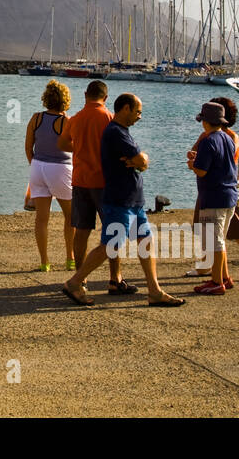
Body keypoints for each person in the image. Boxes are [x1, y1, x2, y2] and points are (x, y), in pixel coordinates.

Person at [61, 94, 185, 307]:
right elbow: (140, 159)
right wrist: (140, 161)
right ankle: (74, 282)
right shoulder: (116, 132)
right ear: (125, 108)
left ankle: (154, 291)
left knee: (145, 241)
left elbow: (141, 161)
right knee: (110, 245)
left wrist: (141, 161)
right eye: (138, 112)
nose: (140, 116)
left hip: (134, 201)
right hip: (120, 200)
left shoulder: (123, 133)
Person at [57, 80, 133, 293]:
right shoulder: (110, 118)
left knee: (81, 231)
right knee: (113, 230)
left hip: (80, 180)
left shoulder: (76, 118)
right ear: (106, 98)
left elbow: (62, 144)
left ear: (85, 95)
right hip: (105, 183)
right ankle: (114, 278)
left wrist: (79, 147)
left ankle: (80, 278)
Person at [185, 96, 239, 282]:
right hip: (212, 188)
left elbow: (222, 159)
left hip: (225, 187)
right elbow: (198, 150)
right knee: (206, 229)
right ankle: (208, 266)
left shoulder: (230, 136)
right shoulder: (208, 136)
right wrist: (195, 154)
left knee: (235, 230)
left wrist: (196, 163)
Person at [187, 102, 239, 295]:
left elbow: (201, 170)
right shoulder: (228, 138)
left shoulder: (208, 141)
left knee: (215, 242)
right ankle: (224, 276)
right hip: (229, 195)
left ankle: (216, 281)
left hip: (213, 196)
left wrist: (192, 164)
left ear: (205, 122)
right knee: (221, 239)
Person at [24, 79, 74, 271]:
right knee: (71, 217)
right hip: (61, 169)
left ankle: (44, 262)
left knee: (41, 219)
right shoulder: (66, 122)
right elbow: (75, 148)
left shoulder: (36, 118)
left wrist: (35, 165)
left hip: (38, 167)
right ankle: (70, 258)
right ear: (65, 100)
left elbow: (28, 147)